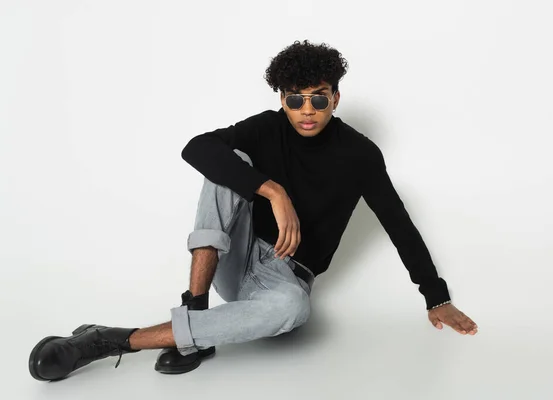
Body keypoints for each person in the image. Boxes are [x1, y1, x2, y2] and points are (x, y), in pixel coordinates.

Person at [28, 39, 478, 382]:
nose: (307, 110)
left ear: (336, 98)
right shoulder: (267, 129)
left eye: (318, 98)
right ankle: (197, 308)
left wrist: (435, 296)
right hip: (235, 255)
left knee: (292, 310)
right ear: (281, 98)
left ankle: (110, 339)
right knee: (228, 162)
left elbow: (397, 222)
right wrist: (273, 191)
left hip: (286, 273)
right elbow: (196, 147)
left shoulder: (360, 154)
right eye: (294, 99)